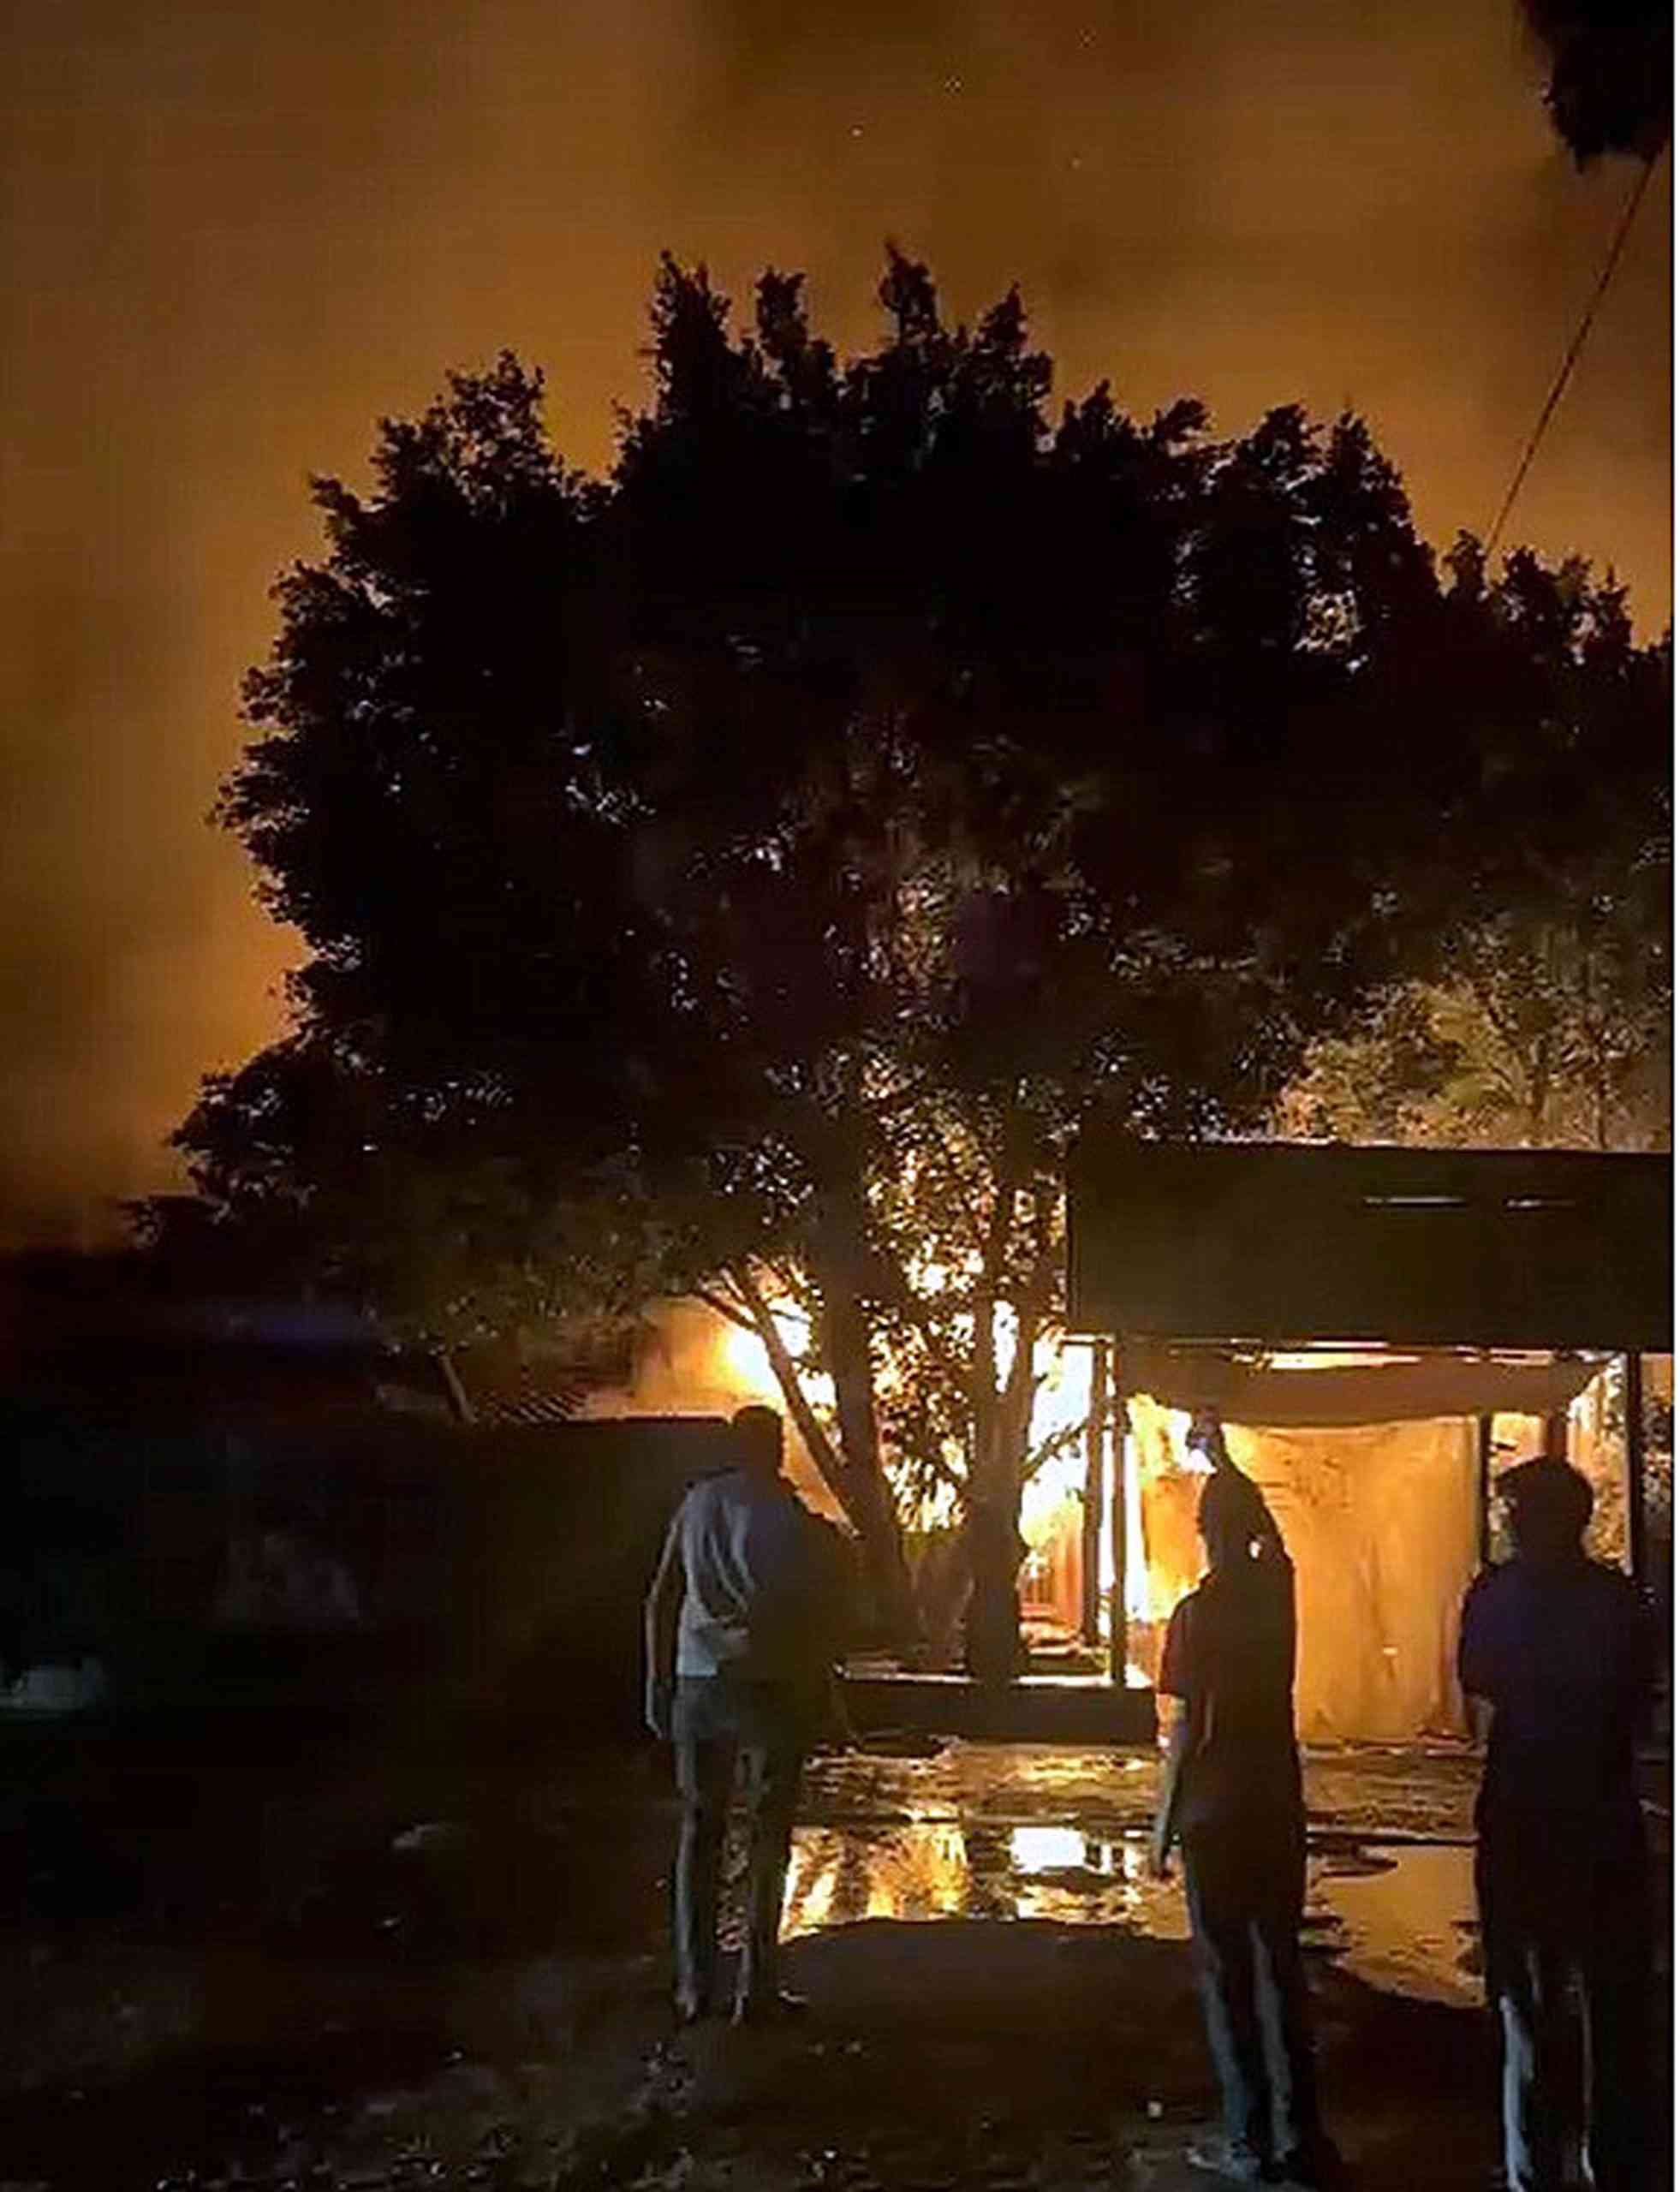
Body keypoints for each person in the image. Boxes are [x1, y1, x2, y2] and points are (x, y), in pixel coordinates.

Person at [1149, 1420, 1335, 2188]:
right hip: (1274, 1803)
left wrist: (1160, 1828)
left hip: (1212, 1812)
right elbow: (1277, 1543)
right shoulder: (1274, 1600)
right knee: (1279, 1967)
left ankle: (1250, 2138)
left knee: (1226, 1977)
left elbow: (1185, 1730)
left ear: (1203, 1535)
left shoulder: (1195, 1616)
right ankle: (1303, 2137)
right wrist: (1224, 1458)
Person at [1458, 1455, 1650, 2192]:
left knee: (1528, 2008)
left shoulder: (1496, 1596)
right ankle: (1615, 2163)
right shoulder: (1618, 1601)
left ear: (1532, 1520)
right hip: (1604, 1820)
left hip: (1523, 1820)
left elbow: (1477, 1680)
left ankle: (1533, 2170)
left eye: (1511, 1513)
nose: (1505, 1526)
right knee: (1612, 2007)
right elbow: (1639, 1700)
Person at [644, 1403, 848, 2027]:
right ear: (773, 1447)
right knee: (767, 1834)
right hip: (769, 1684)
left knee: (699, 1830)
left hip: (697, 1683)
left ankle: (693, 1985)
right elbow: (803, 1613)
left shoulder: (696, 1503)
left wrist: (657, 1683)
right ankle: (755, 1989)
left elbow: (662, 1597)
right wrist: (825, 1691)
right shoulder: (784, 1515)